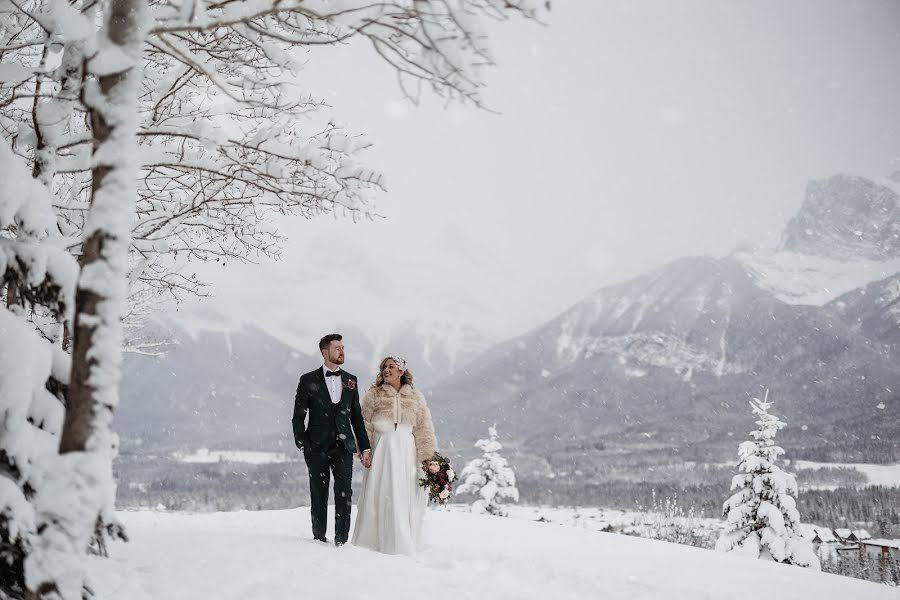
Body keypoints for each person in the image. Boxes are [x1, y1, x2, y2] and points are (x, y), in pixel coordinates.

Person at [351, 356, 437, 556]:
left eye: (391, 366)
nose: (386, 370)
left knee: (402, 492)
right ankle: (373, 541)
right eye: (383, 367)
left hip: (406, 450)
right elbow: (363, 425)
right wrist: (364, 450)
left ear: (401, 371)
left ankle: (401, 540)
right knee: (381, 492)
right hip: (382, 449)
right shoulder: (373, 395)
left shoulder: (415, 396)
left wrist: (429, 458)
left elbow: (424, 429)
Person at [292, 333, 371, 546]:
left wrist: (364, 447)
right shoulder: (308, 380)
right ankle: (319, 538)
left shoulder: (351, 380)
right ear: (325, 352)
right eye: (337, 348)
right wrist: (303, 444)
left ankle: (342, 541)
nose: (342, 351)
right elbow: (298, 416)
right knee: (318, 494)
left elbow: (356, 417)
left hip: (344, 447)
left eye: (343, 348)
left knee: (344, 494)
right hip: (316, 447)